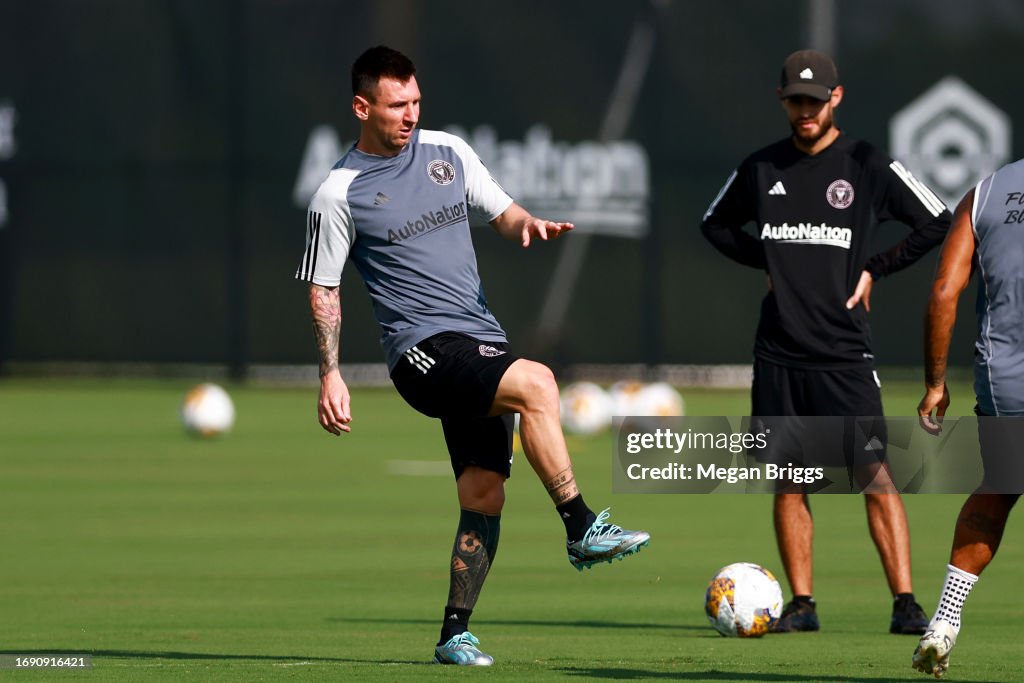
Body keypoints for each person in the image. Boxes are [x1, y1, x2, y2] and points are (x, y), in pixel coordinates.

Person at [295, 46, 650, 667]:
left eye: (416, 102)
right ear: (362, 106)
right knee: (538, 382)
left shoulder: (448, 153)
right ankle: (581, 527)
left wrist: (527, 226)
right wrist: (330, 375)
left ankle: (453, 634)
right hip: (421, 354)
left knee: (484, 494)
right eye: (396, 104)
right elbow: (324, 289)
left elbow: (503, 214)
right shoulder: (337, 192)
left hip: (478, 338)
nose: (410, 115)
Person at [700, 49, 951, 634]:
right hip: (779, 351)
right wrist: (769, 258)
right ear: (784, 102)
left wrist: (875, 267)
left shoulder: (866, 164)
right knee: (791, 479)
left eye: (815, 101)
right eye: (795, 101)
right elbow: (712, 222)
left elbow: (937, 219)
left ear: (835, 99)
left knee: (875, 475)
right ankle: (803, 604)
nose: (805, 110)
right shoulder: (762, 167)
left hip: (843, 352)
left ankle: (906, 603)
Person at [912, 160, 1024, 678]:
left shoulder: (985, 193)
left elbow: (942, 294)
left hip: (1004, 384)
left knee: (999, 490)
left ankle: (944, 621)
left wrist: (936, 382)